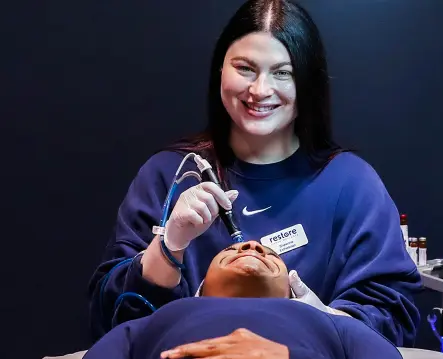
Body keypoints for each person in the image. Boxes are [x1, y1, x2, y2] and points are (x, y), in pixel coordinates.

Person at [88, 0, 423, 347]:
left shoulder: (352, 186)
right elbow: (111, 318)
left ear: (308, 82)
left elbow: (392, 315)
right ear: (220, 69)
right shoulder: (168, 176)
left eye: (283, 72)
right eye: (245, 68)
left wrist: (320, 321)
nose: (260, 90)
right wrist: (169, 245)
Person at [83, 241, 403, 359]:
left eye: (271, 254)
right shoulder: (154, 321)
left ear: (291, 291)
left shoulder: (334, 324)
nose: (252, 247)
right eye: (230, 251)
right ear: (202, 287)